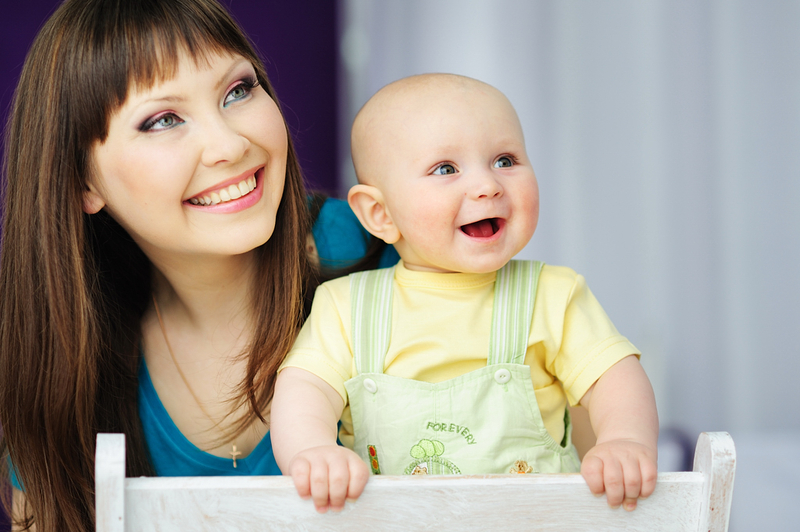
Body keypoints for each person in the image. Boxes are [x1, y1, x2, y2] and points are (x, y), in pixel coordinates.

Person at [0, 0, 396, 530]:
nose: (229, 145)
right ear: (83, 182)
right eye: (163, 120)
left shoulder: (390, 248)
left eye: (238, 90)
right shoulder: (66, 371)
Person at [271, 74, 659, 514]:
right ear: (380, 214)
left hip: (536, 520)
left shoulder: (553, 294)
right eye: (446, 169)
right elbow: (304, 389)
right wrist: (313, 451)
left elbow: (614, 378)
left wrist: (624, 439)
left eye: (505, 160)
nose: (488, 185)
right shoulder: (344, 306)